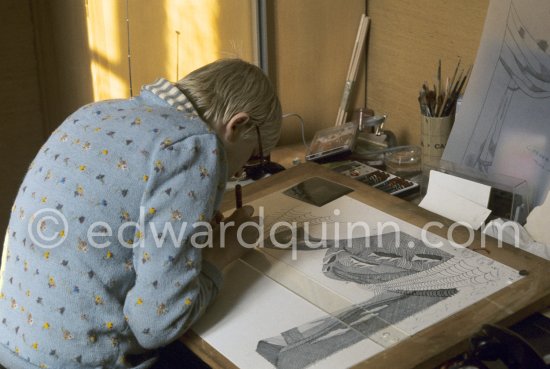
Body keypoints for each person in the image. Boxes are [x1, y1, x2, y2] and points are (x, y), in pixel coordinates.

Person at [0, 58, 282, 369]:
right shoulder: (195, 144)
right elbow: (155, 325)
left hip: (14, 345)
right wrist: (224, 253)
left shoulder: (94, 112)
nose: (242, 169)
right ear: (237, 125)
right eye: (253, 156)